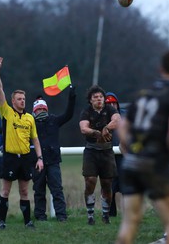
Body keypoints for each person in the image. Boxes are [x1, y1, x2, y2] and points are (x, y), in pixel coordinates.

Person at [116, 50, 169, 244]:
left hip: (132, 163)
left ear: (161, 69)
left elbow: (122, 126)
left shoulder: (143, 93)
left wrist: (133, 148)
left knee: (129, 222)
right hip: (156, 164)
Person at [0, 57, 44, 229]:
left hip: (26, 158)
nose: (23, 101)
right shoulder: (6, 112)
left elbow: (35, 139)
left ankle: (28, 222)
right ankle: (2, 222)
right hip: (10, 157)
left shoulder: (30, 118)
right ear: (13, 101)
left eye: (24, 98)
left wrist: (39, 158)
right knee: (5, 191)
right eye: (19, 99)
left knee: (24, 191)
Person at [31, 86, 76, 222]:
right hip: (36, 162)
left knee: (57, 190)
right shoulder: (29, 123)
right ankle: (40, 216)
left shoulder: (54, 120)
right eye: (38, 109)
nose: (41, 111)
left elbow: (68, 114)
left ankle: (61, 216)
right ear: (34, 111)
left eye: (43, 109)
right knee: (39, 191)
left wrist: (72, 97)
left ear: (47, 109)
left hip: (53, 161)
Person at [79, 85, 121, 225]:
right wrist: (95, 132)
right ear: (90, 100)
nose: (98, 99)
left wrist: (106, 128)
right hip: (91, 151)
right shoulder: (86, 111)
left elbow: (117, 120)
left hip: (107, 151)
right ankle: (90, 215)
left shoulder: (110, 109)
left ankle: (105, 215)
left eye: (101, 97)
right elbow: (83, 128)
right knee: (90, 181)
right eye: (95, 97)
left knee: (107, 183)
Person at [104, 92, 123, 217]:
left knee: (126, 186)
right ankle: (111, 215)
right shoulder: (100, 118)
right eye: (108, 103)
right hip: (107, 157)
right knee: (109, 187)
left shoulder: (125, 117)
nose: (111, 105)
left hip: (123, 157)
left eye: (113, 103)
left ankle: (129, 215)